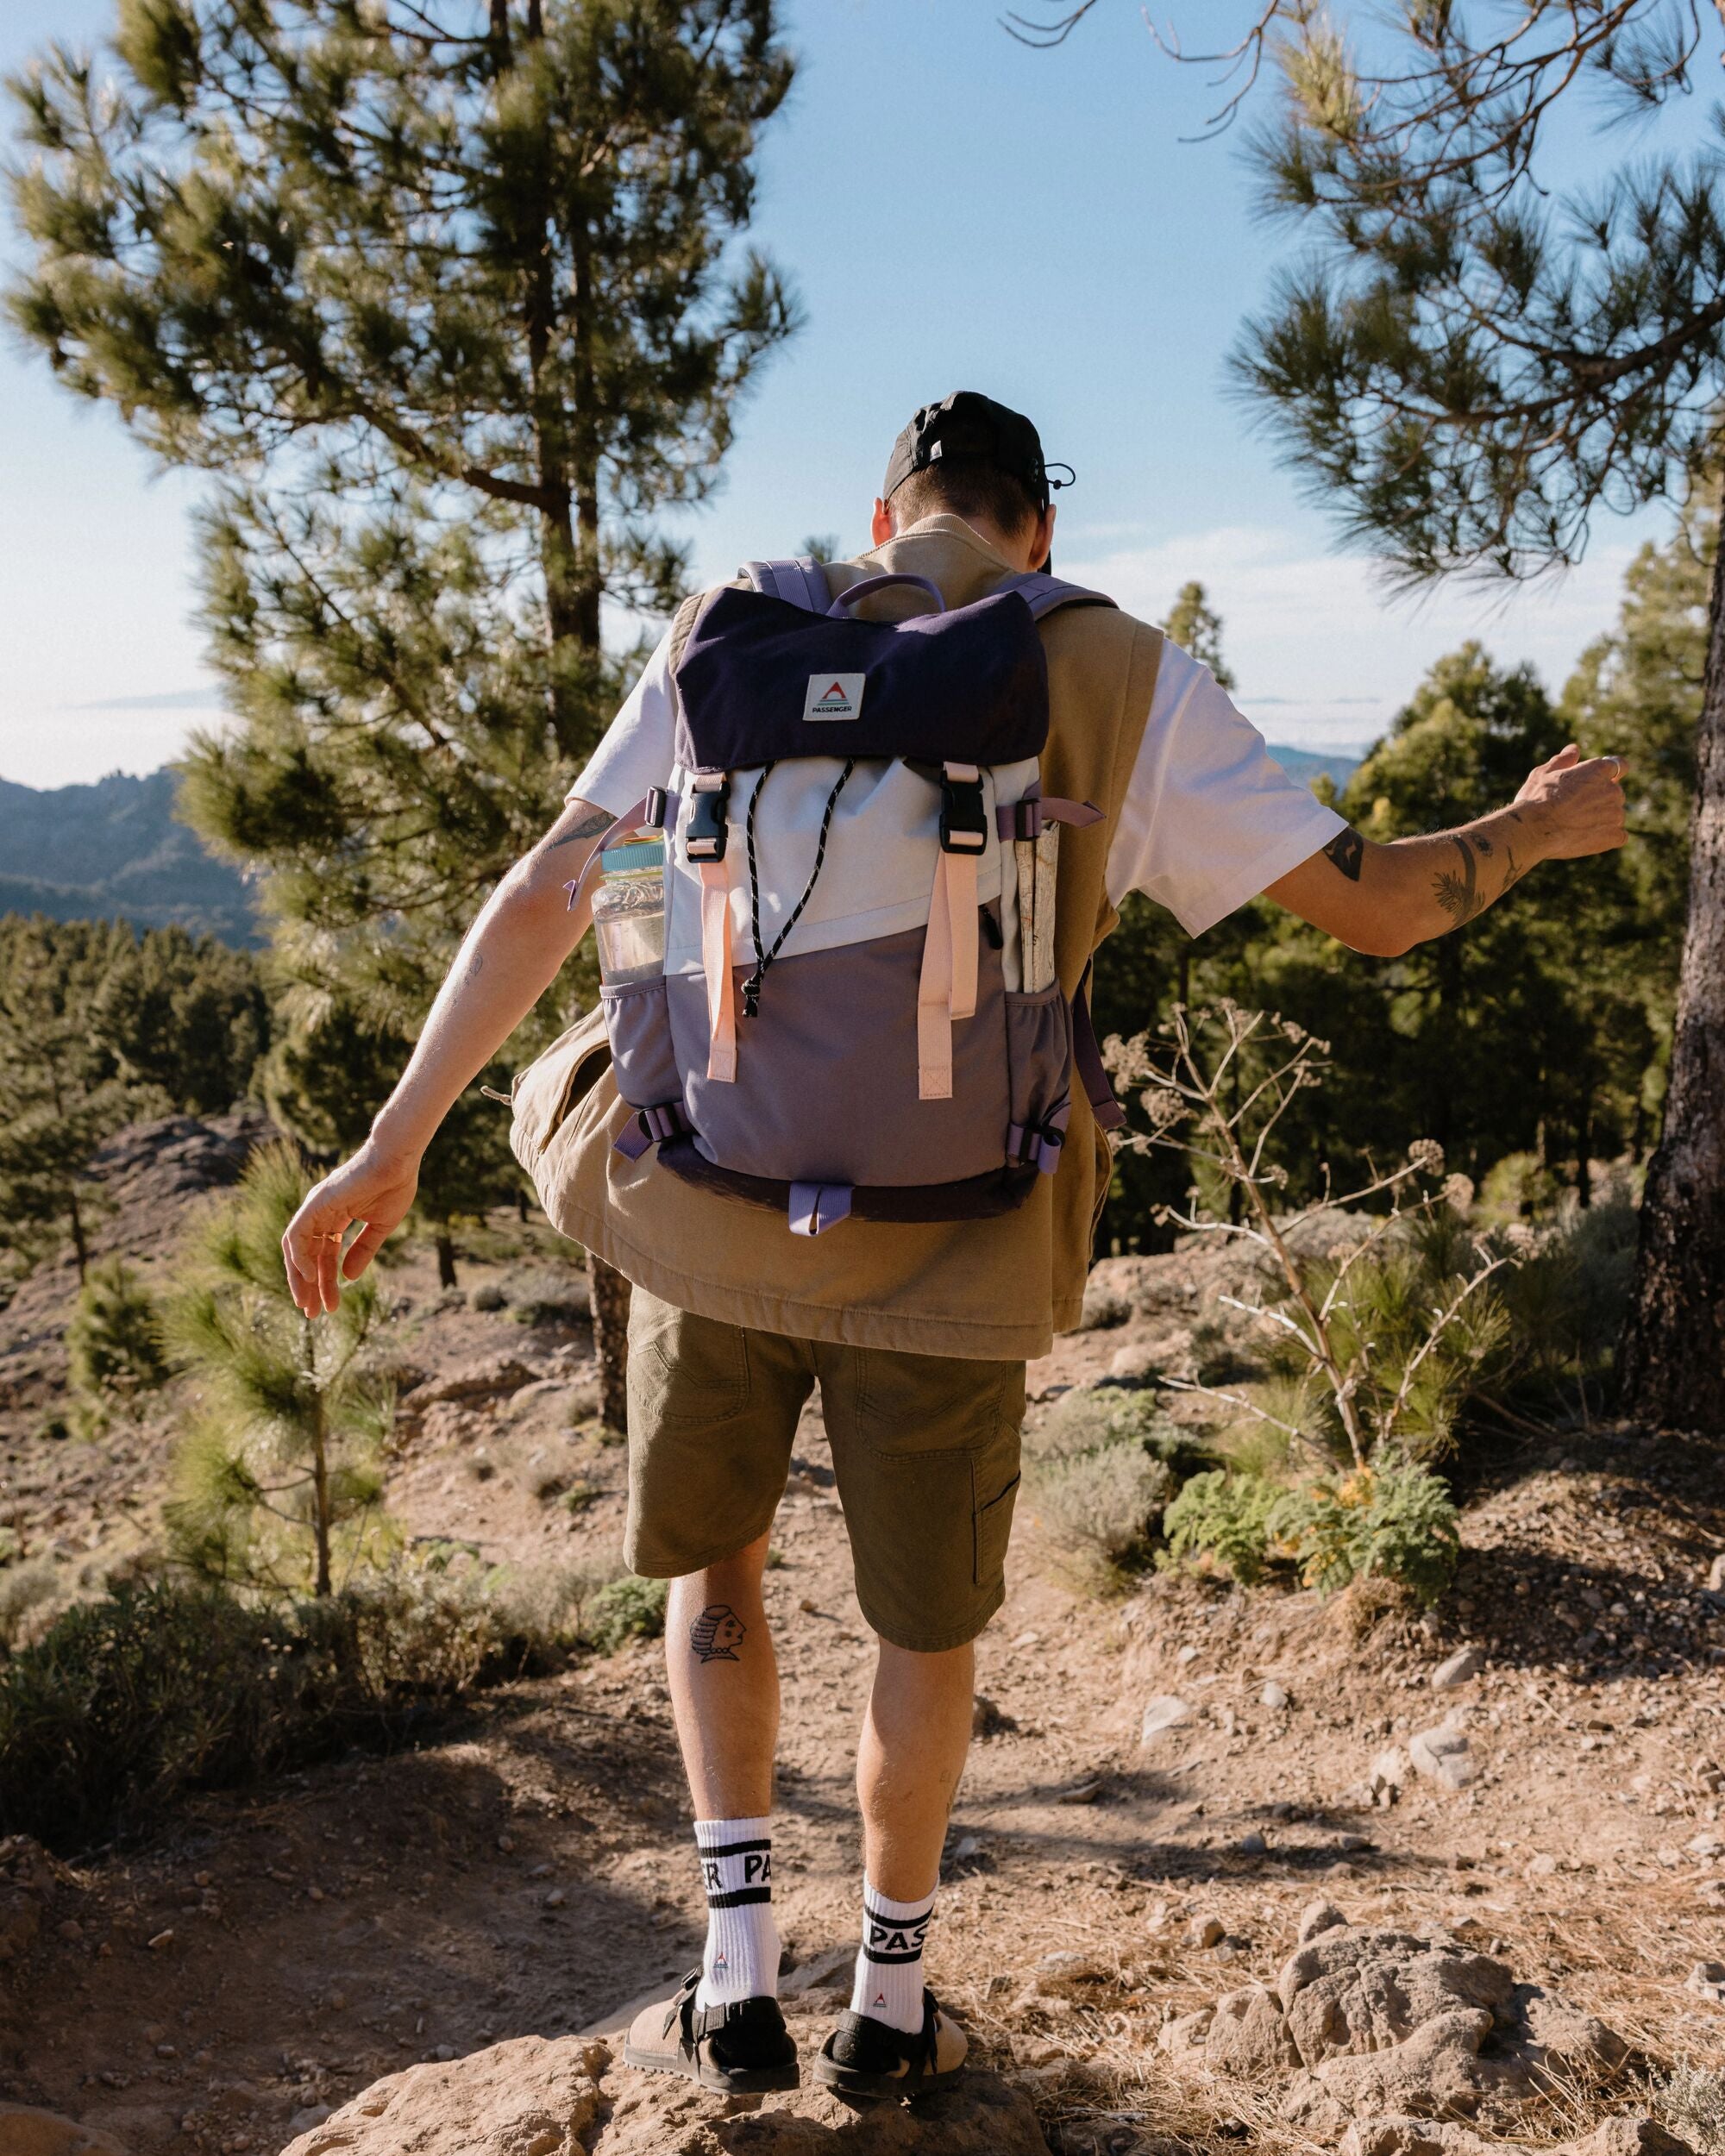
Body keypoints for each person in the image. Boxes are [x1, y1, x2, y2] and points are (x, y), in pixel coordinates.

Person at [281, 391, 1628, 2102]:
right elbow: (1377, 904)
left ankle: (735, 1966)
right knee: (924, 1631)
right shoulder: (1114, 670)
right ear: (1035, 533)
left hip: (706, 1203)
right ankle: (894, 1991)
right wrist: (1533, 821)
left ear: (883, 517)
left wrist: (391, 1141)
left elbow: (558, 885)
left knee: (718, 1574)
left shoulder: (727, 628)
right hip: (954, 1234)